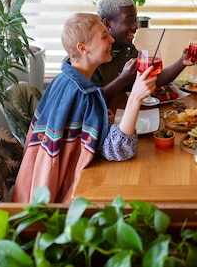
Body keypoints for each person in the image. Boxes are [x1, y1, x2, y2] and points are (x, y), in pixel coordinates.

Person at [12, 12, 157, 203]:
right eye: (104, 36)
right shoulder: (83, 94)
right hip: (68, 200)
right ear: (83, 48)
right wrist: (136, 98)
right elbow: (119, 149)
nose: (112, 40)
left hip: (32, 185)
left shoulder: (64, 79)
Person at [92, 0, 194, 100]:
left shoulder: (128, 50)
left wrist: (182, 61)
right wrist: (123, 79)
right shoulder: (92, 55)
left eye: (135, 20)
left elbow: (153, 78)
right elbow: (92, 100)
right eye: (128, 21)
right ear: (108, 24)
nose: (135, 26)